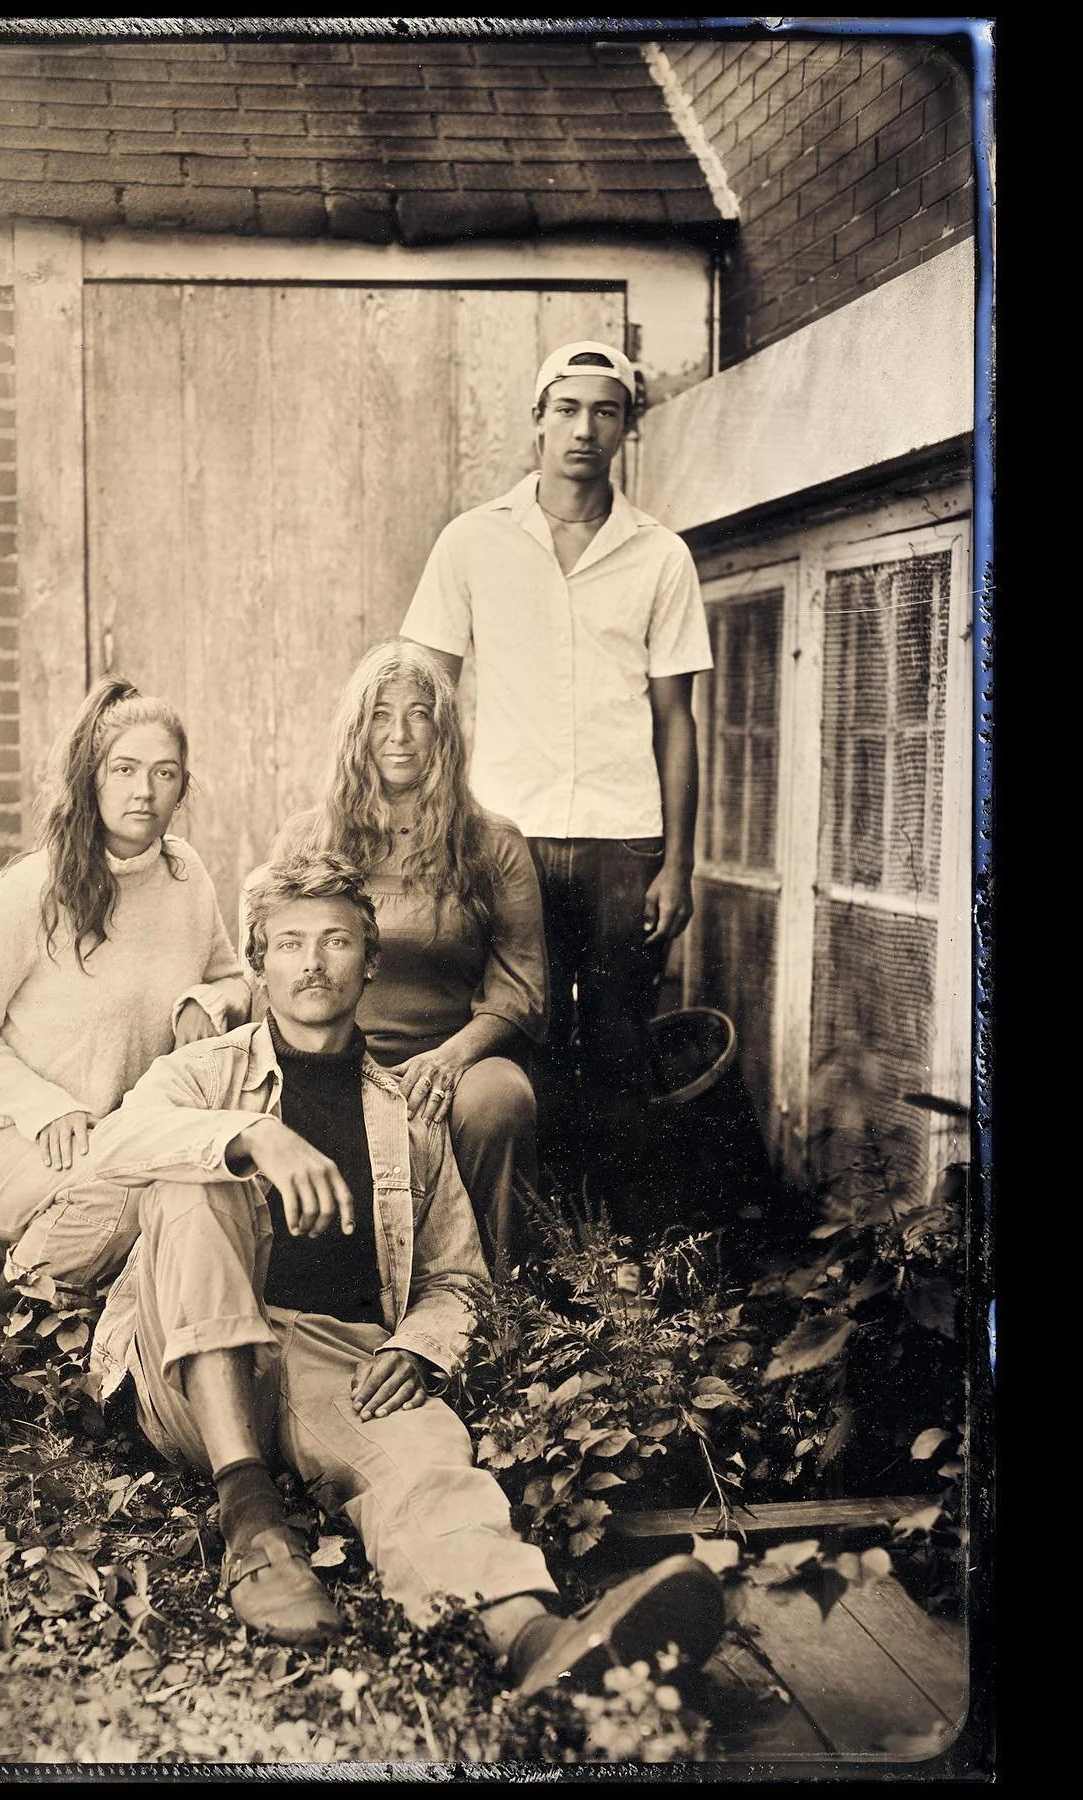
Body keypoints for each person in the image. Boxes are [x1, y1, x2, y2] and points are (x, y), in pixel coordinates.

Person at [84, 852, 725, 1690]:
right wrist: (251, 1138)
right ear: (257, 961)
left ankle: (538, 1641)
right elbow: (114, 1143)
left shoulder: (404, 1112)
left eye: (336, 941)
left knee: (427, 1463)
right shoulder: (208, 1074)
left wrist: (419, 1346)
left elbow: (458, 1277)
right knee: (191, 1184)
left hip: (335, 1358)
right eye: (288, 943)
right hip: (188, 1364)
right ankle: (253, 1524)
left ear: (371, 961)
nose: (312, 962)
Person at [400, 342, 714, 1234]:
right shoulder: (473, 540)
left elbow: (675, 721)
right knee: (516, 1036)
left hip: (623, 840)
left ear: (626, 427)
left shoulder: (659, 556)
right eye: (568, 408)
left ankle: (619, 1261)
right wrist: (429, 826)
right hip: (505, 836)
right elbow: (423, 693)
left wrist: (678, 865)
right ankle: (520, 1247)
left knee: (618, 1050)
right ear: (537, 418)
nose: (585, 428)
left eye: (605, 411)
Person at [0, 678, 252, 1299]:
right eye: (124, 769)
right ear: (91, 777)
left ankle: (110, 1333)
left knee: (198, 1184)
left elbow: (230, 979)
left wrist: (209, 1002)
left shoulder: (186, 876)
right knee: (129, 1195)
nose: (144, 791)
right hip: (0, 1134)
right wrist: (46, 1105)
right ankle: (13, 1321)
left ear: (183, 786)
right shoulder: (33, 889)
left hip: (119, 1133)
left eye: (165, 773)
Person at [263, 640, 547, 1274]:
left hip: (454, 1056)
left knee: (500, 1100)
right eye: (380, 716)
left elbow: (521, 993)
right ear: (355, 730)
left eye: (419, 714)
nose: (399, 735)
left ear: (443, 732)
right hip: (333, 1051)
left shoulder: (492, 843)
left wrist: (453, 1058)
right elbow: (272, 967)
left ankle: (506, 1305)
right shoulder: (308, 838)